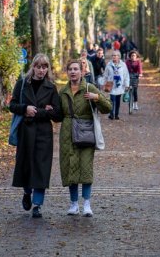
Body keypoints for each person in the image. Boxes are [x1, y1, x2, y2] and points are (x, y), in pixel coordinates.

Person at [9, 54, 63, 218]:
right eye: (38, 67)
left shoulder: (51, 87)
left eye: (44, 67)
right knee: (26, 166)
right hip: (25, 132)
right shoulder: (22, 83)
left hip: (43, 134)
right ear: (33, 67)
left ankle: (38, 204)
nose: (41, 70)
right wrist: (25, 108)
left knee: (41, 167)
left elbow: (58, 114)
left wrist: (40, 112)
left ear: (48, 69)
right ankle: (27, 192)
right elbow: (12, 105)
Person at [59, 59, 112, 217]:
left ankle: (87, 204)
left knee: (86, 169)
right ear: (67, 72)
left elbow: (107, 108)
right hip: (68, 134)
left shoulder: (89, 88)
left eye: (76, 69)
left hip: (86, 133)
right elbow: (58, 114)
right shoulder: (62, 92)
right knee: (71, 169)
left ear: (82, 72)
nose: (73, 72)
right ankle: (74, 204)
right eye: (70, 69)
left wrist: (97, 97)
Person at [103, 51, 129, 120]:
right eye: (113, 55)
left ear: (119, 56)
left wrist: (127, 85)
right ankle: (111, 114)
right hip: (111, 85)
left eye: (115, 55)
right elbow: (105, 75)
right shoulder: (109, 64)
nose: (114, 57)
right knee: (112, 100)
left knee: (117, 101)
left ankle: (116, 114)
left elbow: (126, 75)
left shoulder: (123, 65)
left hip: (120, 86)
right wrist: (104, 83)